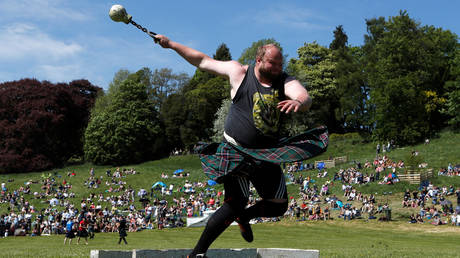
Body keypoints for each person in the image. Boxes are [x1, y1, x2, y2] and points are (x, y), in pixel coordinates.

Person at [155, 35, 328, 258]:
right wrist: (171, 45)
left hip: (266, 153)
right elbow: (202, 61)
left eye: (279, 64)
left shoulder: (284, 80)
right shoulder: (239, 72)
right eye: (271, 63)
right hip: (235, 150)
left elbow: (304, 96)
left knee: (279, 205)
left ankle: (245, 217)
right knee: (235, 202)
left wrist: (298, 102)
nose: (276, 68)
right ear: (259, 60)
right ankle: (197, 254)